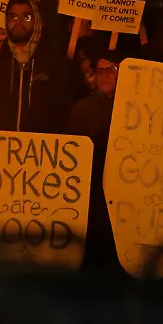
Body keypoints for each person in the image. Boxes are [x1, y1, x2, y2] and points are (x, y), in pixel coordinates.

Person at [0, 0, 85, 136]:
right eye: (13, 17)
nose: (19, 22)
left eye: (26, 17)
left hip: (43, 152)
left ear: (36, 21)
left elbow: (71, 113)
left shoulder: (59, 66)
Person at [65, 49, 125, 272]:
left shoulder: (133, 109)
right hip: (89, 198)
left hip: (121, 200)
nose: (105, 75)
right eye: (100, 70)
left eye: (111, 69)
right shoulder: (81, 110)